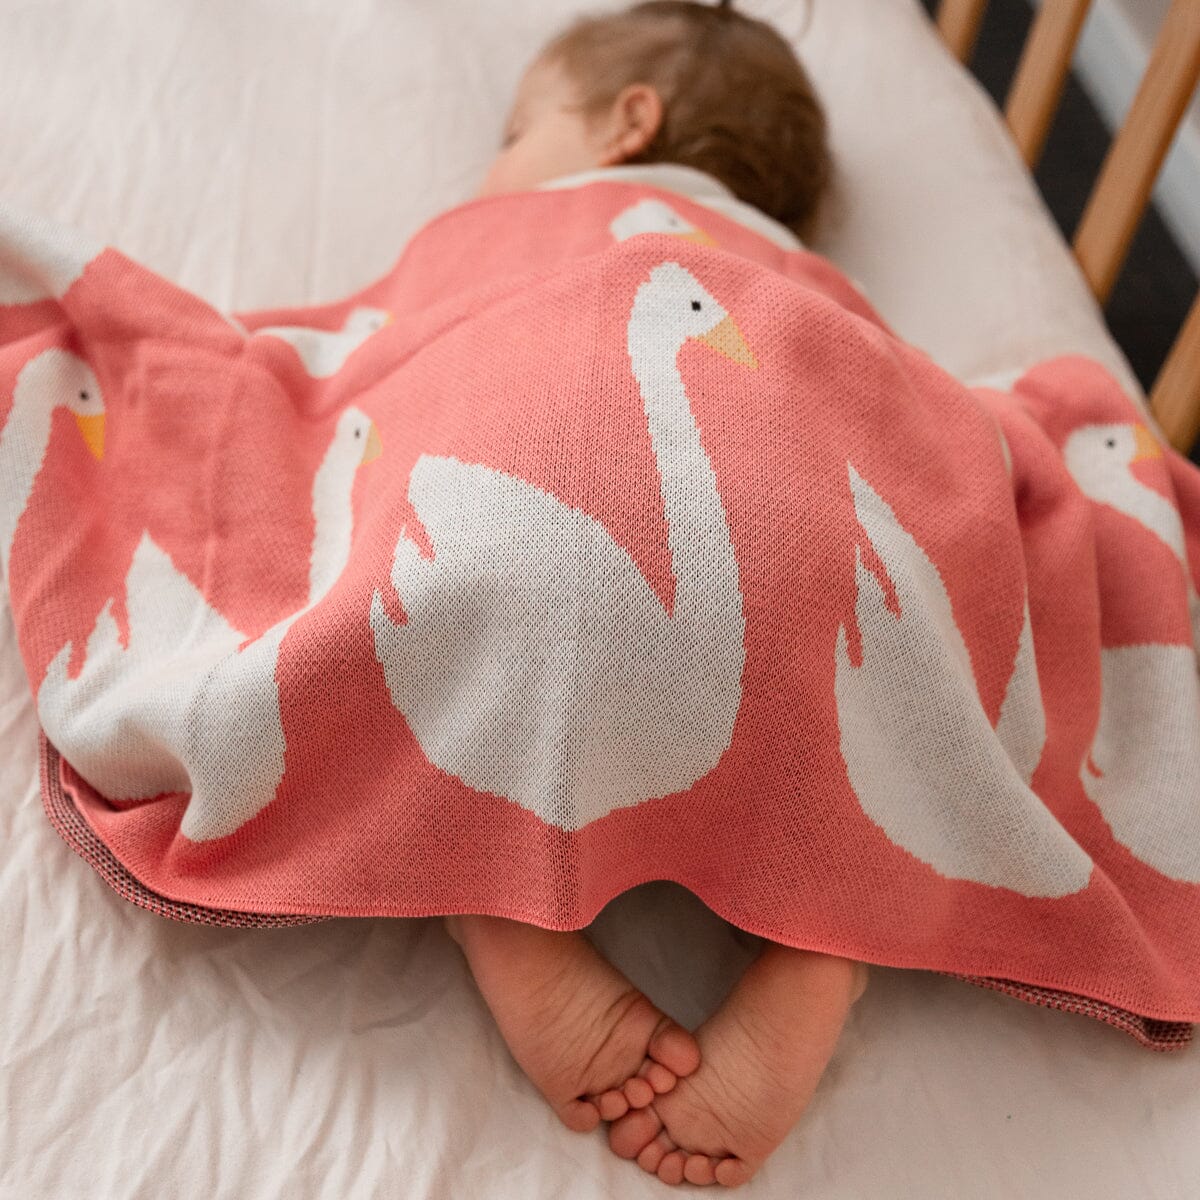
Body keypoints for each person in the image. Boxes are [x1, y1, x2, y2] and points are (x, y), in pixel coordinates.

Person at [446, 1, 870, 1189]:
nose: (497, 165)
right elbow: (890, 408)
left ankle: (491, 889)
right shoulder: (812, 284)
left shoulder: (534, 228)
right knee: (872, 696)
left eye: (517, 132)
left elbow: (397, 357)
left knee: (431, 622)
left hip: (541, 541)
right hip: (811, 565)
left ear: (629, 125)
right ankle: (825, 935)